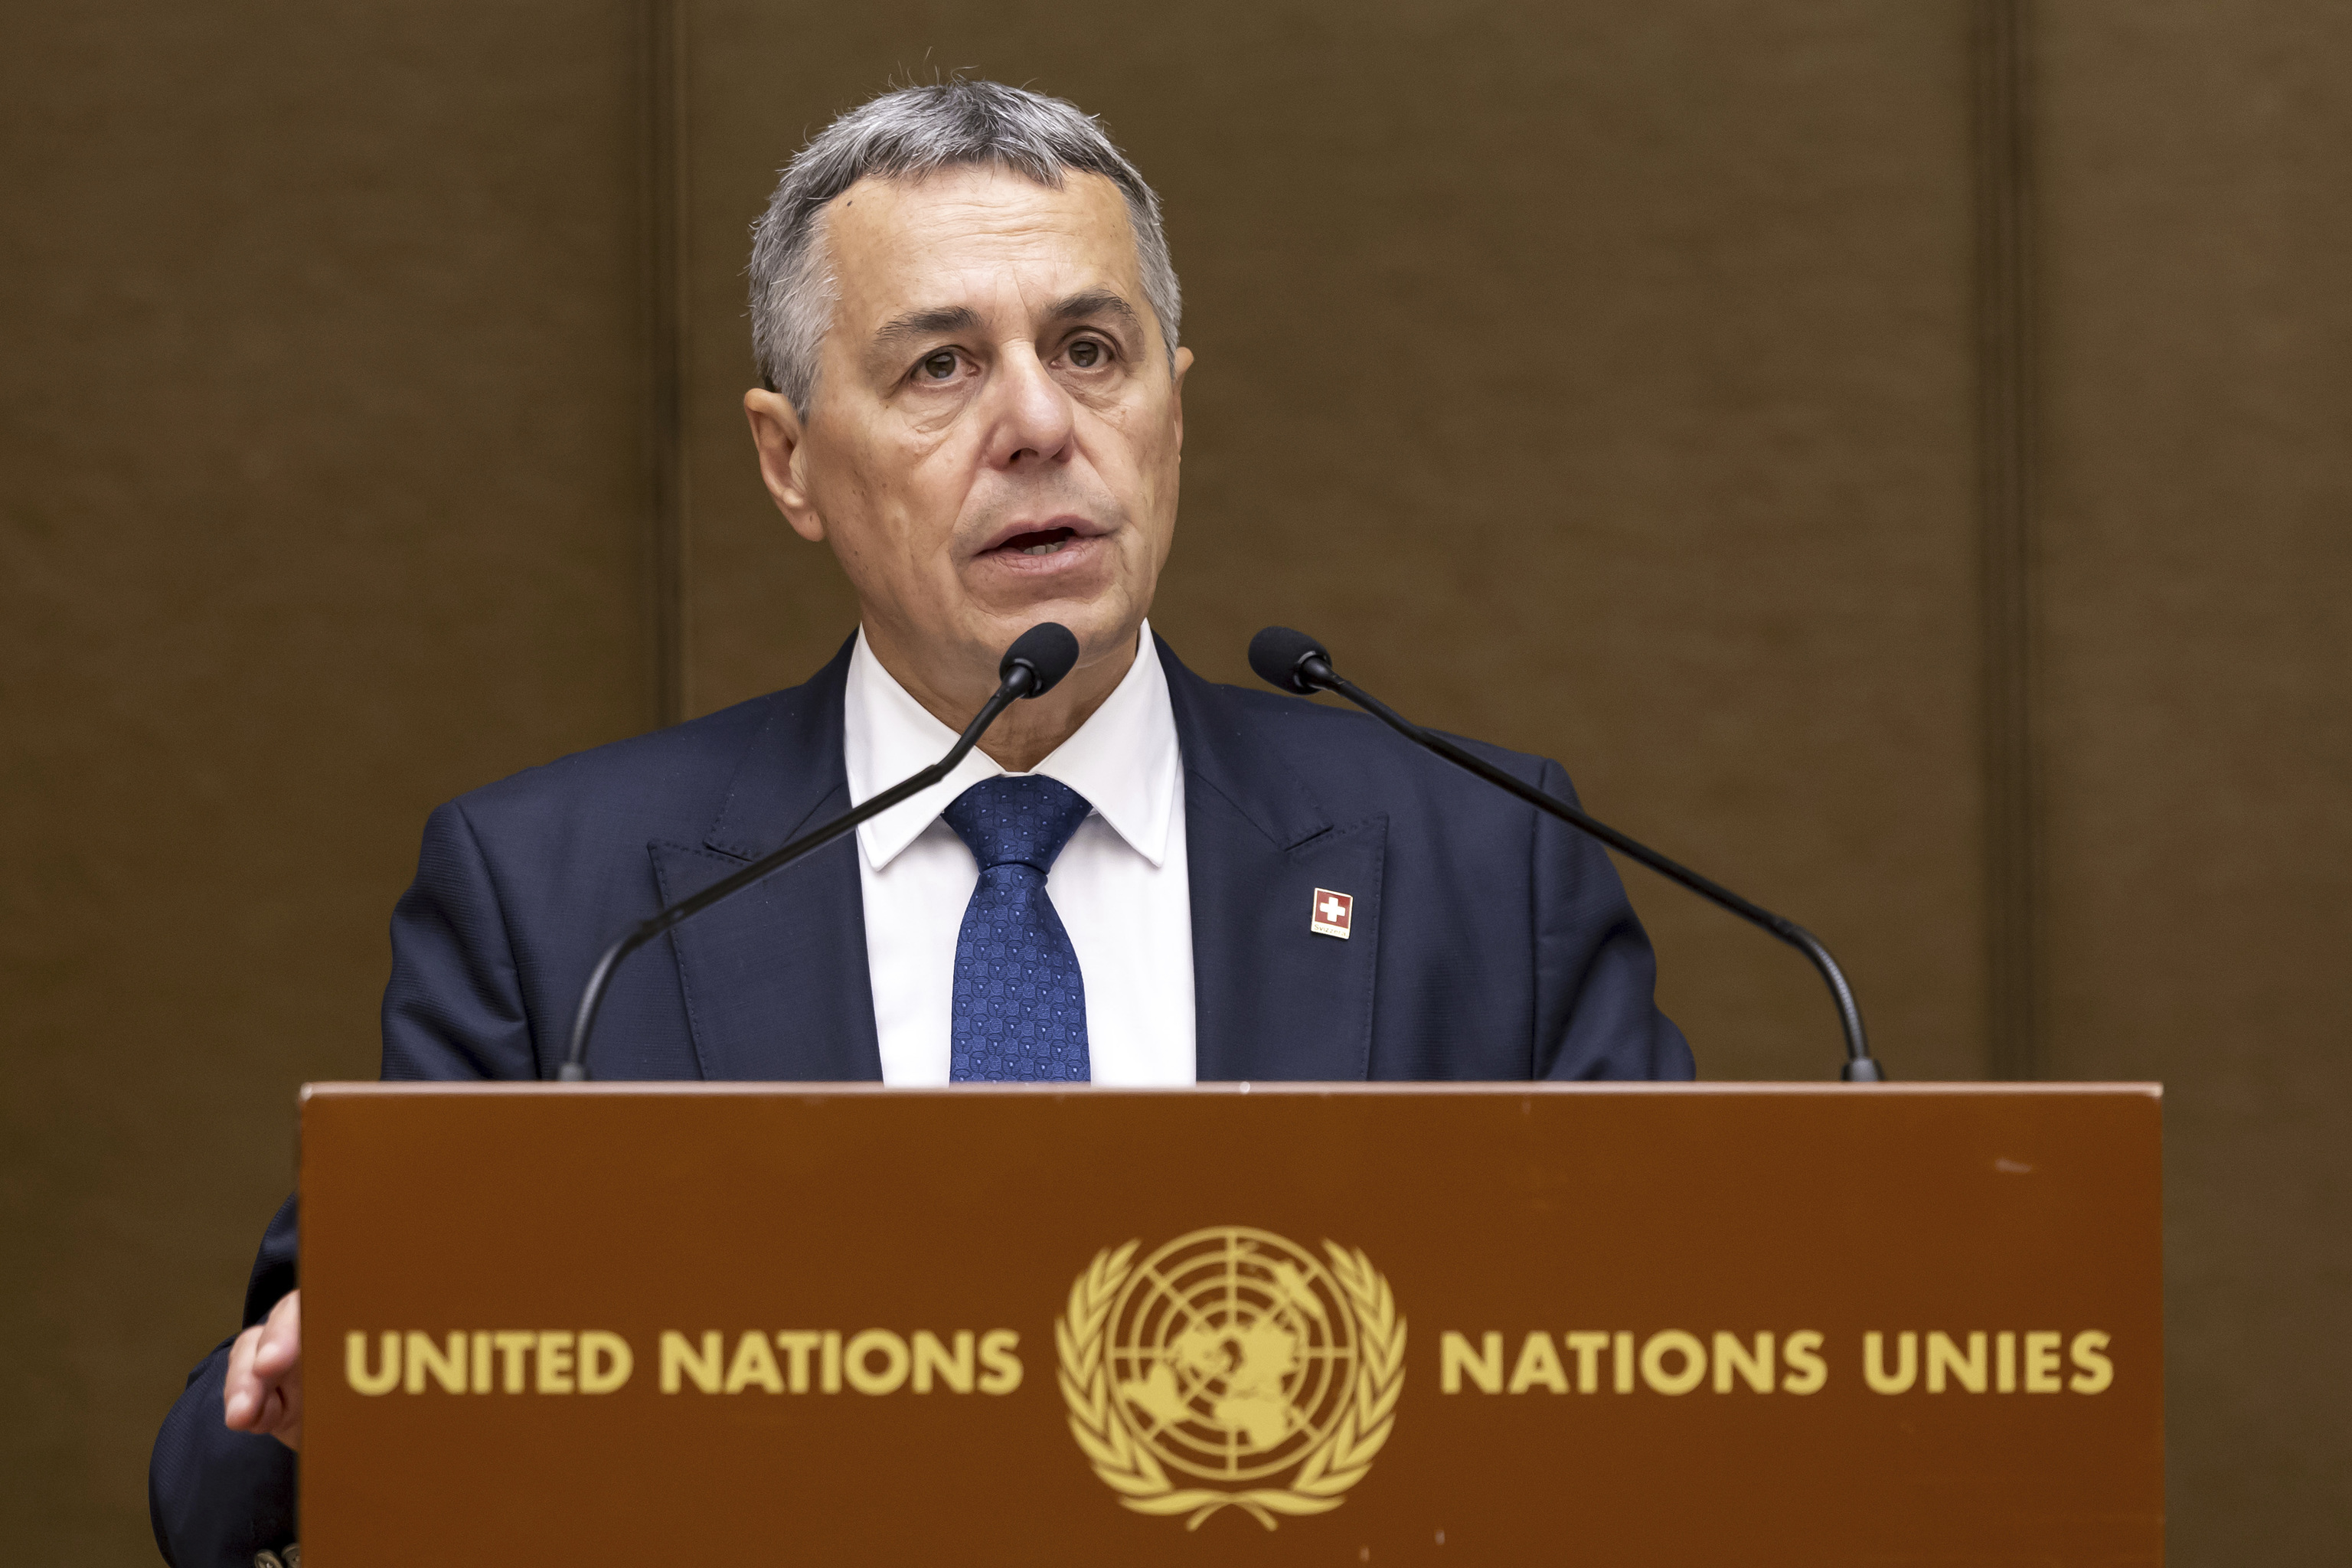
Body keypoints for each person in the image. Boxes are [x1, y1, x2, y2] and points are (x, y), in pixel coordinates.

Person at [149, 79, 1692, 1566]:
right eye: (940, 366)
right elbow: (235, 1473)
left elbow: (1677, 1382)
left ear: (1173, 407)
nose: (1037, 423)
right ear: (788, 459)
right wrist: (307, 1410)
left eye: (1093, 349)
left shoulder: (1484, 860)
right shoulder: (563, 902)